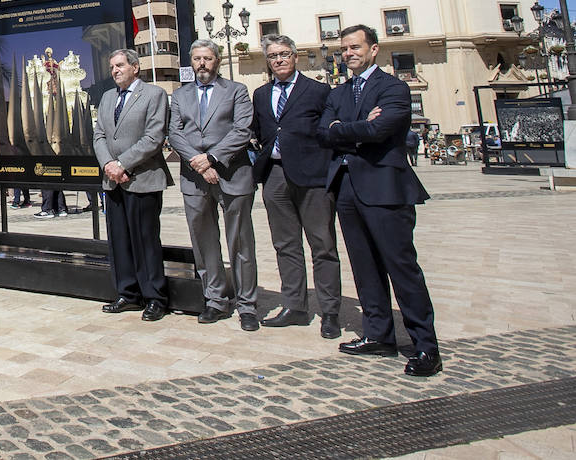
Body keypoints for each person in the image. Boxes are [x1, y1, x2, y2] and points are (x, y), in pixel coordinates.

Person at [320, 25, 442, 377]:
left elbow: (380, 130)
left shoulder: (394, 87)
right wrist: (352, 127)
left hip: (385, 189)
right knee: (364, 267)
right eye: (344, 49)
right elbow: (322, 133)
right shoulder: (339, 92)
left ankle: (425, 347)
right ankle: (379, 334)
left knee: (401, 268)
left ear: (374, 50)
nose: (349, 54)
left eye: (355, 47)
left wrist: (344, 128)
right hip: (347, 188)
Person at [250, 35, 342, 339]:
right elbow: (259, 131)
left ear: (296, 56)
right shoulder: (261, 94)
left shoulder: (317, 91)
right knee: (285, 244)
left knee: (322, 244)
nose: (279, 60)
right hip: (275, 175)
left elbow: (331, 129)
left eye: (284, 54)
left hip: (312, 176)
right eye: (273, 55)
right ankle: (295, 306)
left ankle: (330, 311)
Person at [169, 39, 258, 330]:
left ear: (217, 61)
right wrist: (197, 161)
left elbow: (242, 130)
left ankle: (247, 305)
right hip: (194, 179)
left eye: (207, 58)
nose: (202, 64)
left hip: (231, 174)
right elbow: (175, 133)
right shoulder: (180, 96)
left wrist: (212, 159)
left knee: (240, 242)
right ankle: (215, 299)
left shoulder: (236, 91)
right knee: (204, 242)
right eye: (197, 59)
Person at [93, 49, 172, 322]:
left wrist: (122, 164)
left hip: (142, 179)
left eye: (120, 65)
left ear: (135, 67)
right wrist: (109, 166)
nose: (114, 71)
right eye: (112, 67)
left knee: (145, 240)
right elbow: (99, 135)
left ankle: (154, 297)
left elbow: (153, 137)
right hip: (113, 182)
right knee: (119, 240)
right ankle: (128, 293)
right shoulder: (107, 97)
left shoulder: (154, 95)